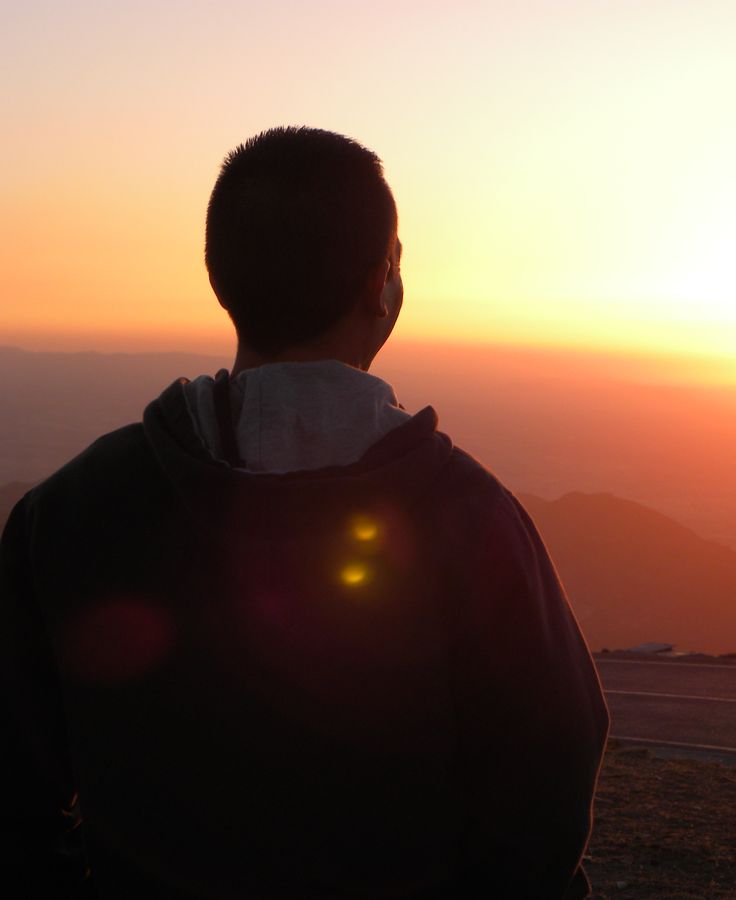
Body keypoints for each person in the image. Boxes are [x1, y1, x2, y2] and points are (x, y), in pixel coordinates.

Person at [0, 126, 609, 898]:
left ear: (221, 278)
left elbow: (13, 797)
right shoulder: (473, 520)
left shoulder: (71, 513)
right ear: (382, 285)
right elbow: (549, 792)